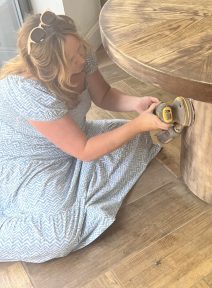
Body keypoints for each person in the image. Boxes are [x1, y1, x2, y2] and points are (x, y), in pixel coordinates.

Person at [0, 11, 170, 263]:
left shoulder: (82, 56)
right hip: (30, 161)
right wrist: (137, 125)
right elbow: (84, 150)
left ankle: (77, 196)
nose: (82, 58)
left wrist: (138, 103)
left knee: (139, 141)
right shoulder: (28, 91)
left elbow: (104, 96)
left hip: (75, 139)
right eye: (72, 58)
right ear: (51, 70)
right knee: (61, 234)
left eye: (79, 48)